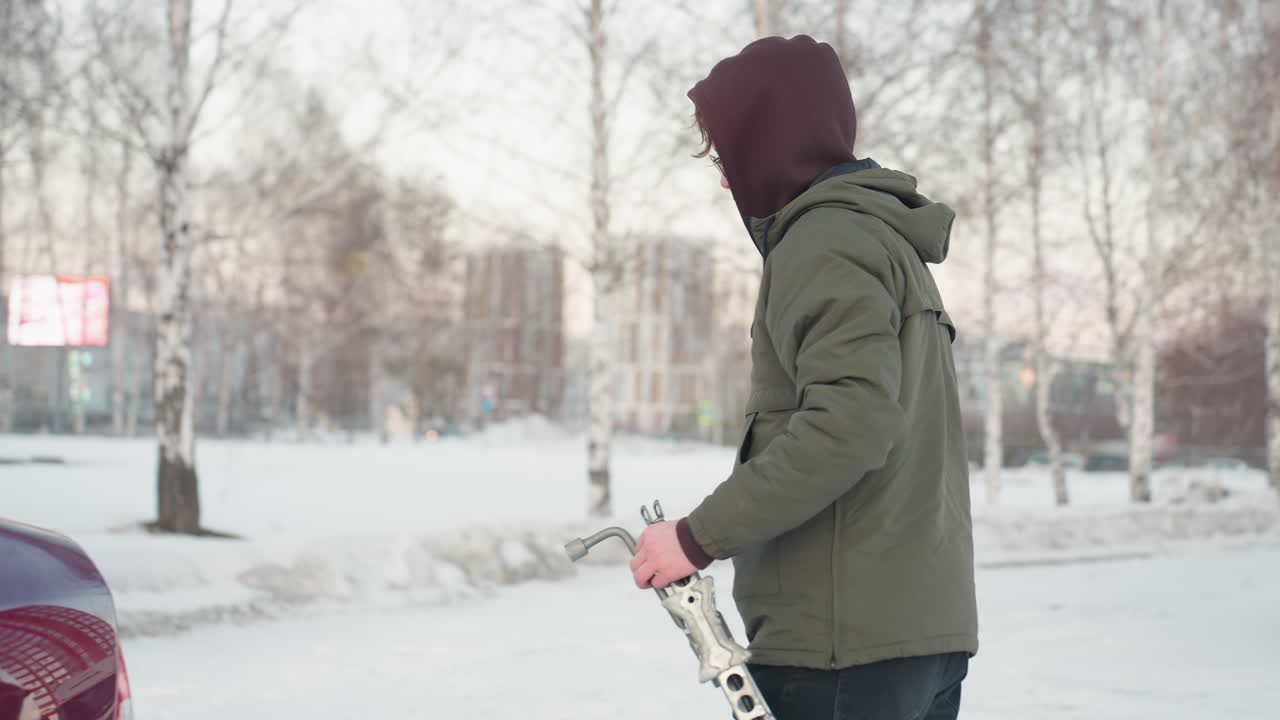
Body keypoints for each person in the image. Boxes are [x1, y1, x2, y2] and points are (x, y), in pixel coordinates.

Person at [629, 35, 978, 720]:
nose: (726, 179)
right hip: (911, 640)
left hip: (838, 653)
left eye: (729, 154)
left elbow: (849, 424)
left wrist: (697, 537)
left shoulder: (822, 243)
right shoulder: (886, 243)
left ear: (771, 141)